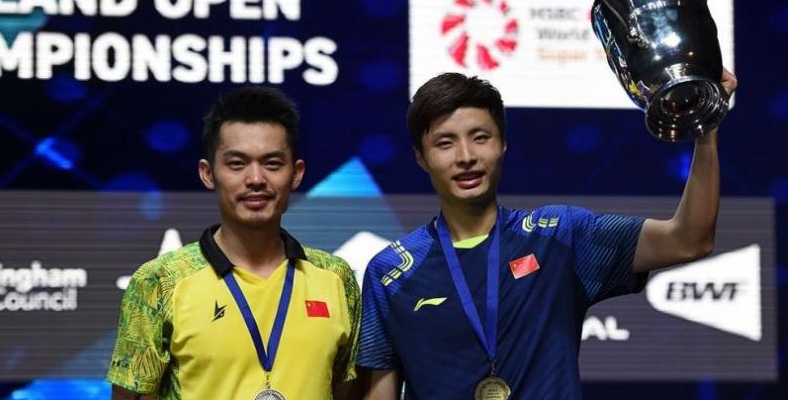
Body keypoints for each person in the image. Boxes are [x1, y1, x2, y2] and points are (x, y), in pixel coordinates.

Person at [356, 70, 737, 400]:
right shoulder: (391, 272)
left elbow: (689, 240)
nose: (466, 155)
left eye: (480, 137)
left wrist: (706, 130)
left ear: (503, 144)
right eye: (445, 143)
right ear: (421, 158)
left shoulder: (559, 235)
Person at [107, 87, 361, 400]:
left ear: (296, 174)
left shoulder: (336, 277)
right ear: (207, 173)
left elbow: (347, 392)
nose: (255, 179)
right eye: (237, 164)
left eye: (272, 163)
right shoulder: (160, 281)